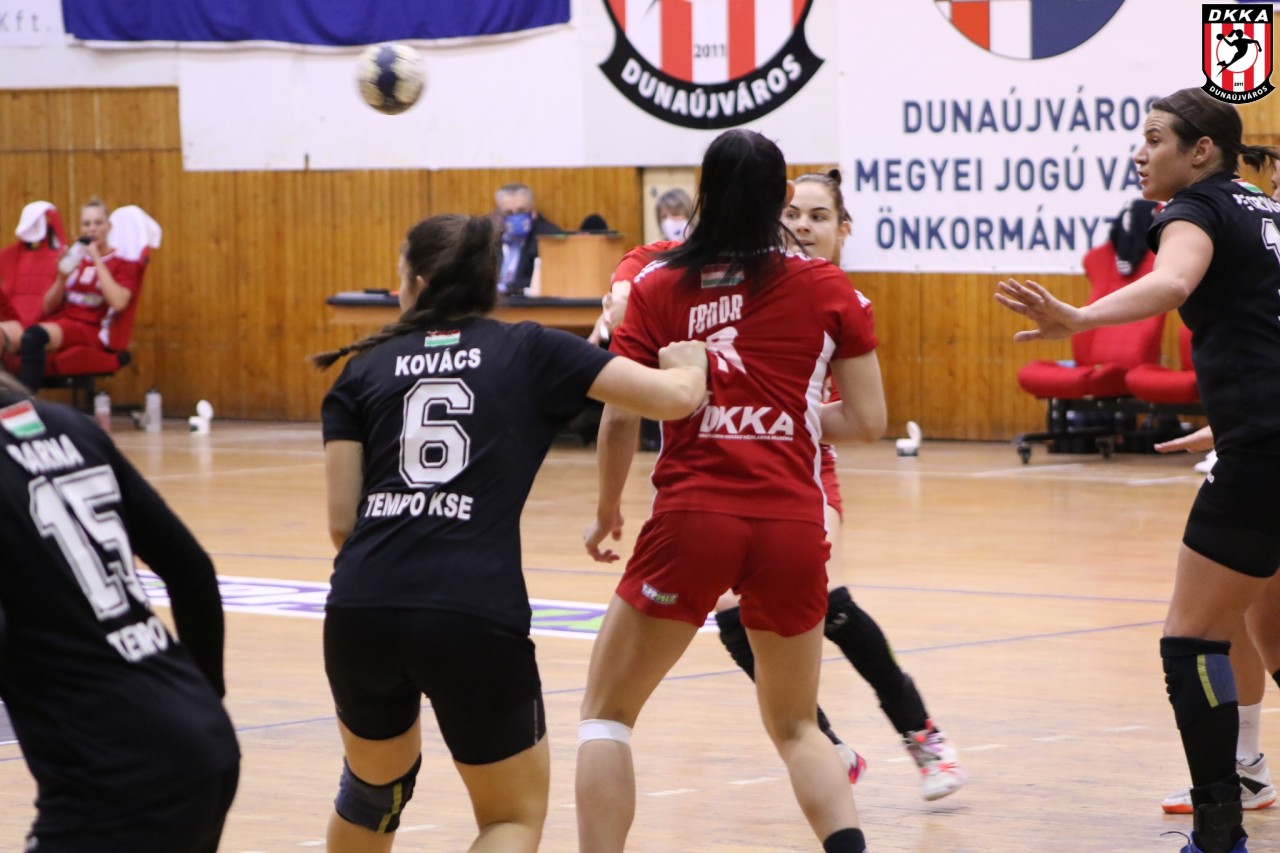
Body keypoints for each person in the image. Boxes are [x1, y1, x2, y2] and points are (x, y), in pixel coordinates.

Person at [312, 212, 709, 853]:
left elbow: (341, 523)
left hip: (361, 607)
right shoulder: (530, 348)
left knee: (372, 796)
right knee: (511, 818)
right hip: (471, 610)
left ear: (416, 283)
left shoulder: (361, 368)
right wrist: (689, 366)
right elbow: (669, 399)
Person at [576, 129, 886, 853]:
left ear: (702, 192)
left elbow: (620, 413)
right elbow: (867, 420)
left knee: (606, 716)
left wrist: (607, 509)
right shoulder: (829, 287)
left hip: (693, 518)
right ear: (784, 198)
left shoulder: (657, 285)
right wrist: (783, 415)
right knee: (798, 725)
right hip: (792, 524)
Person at [995, 87, 1280, 853]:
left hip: (1263, 454)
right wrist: (1230, 418)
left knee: (1192, 643)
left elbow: (1174, 282)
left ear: (1201, 150)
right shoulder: (1265, 210)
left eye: (1155, 139)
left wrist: (1080, 317)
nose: (1139, 153)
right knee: (1273, 634)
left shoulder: (1194, 209)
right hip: (1263, 435)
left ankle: (1218, 834)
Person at [714, 168, 965, 800]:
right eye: (793, 214)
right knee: (731, 614)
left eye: (819, 216)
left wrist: (785, 418)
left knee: (829, 601)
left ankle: (924, 737)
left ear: (843, 229)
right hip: (736, 465)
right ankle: (827, 748)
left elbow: (860, 415)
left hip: (804, 465)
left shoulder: (841, 300)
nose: (802, 225)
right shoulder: (744, 289)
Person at [0, 368, 240, 850]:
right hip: (203, 740)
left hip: (115, 779)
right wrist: (202, 698)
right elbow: (192, 570)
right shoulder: (69, 424)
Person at [1155, 428, 1276, 816]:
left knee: (1196, 634)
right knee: (1251, 612)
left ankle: (1233, 793)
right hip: (1256, 452)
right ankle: (1247, 766)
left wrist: (1236, 423)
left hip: (1257, 462)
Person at [16, 197, 140, 393]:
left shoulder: (122, 264)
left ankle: (25, 400)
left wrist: (97, 258)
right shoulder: (75, 260)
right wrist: (61, 278)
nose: (92, 229)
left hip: (91, 328)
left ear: (109, 226)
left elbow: (119, 303)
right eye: (87, 224)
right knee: (14, 339)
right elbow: (48, 307)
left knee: (34, 337)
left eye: (98, 223)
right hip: (63, 322)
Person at [493, 183, 561, 296]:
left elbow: (549, 279)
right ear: (499, 214)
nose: (515, 217)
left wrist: (508, 288)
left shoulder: (548, 238)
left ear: (533, 211)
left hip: (527, 301)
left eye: (521, 211)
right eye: (509, 213)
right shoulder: (490, 238)